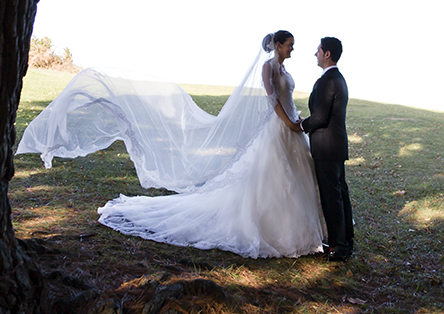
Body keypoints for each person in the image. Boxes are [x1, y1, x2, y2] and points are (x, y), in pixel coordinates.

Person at [17, 31, 326, 258]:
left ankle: (306, 230)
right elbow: (272, 100)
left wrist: (296, 123)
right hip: (280, 126)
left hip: (293, 127)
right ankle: (275, 228)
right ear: (277, 46)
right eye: (290, 46)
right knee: (274, 176)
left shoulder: (286, 70)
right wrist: (288, 122)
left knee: (295, 175)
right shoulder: (268, 68)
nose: (293, 50)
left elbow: (286, 97)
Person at [299, 37, 353, 261]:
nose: (316, 54)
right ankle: (345, 241)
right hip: (336, 146)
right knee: (340, 194)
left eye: (318, 50)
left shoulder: (327, 81)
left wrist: (301, 125)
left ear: (327, 54)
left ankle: (337, 246)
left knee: (332, 197)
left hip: (327, 148)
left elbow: (320, 117)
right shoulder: (338, 79)